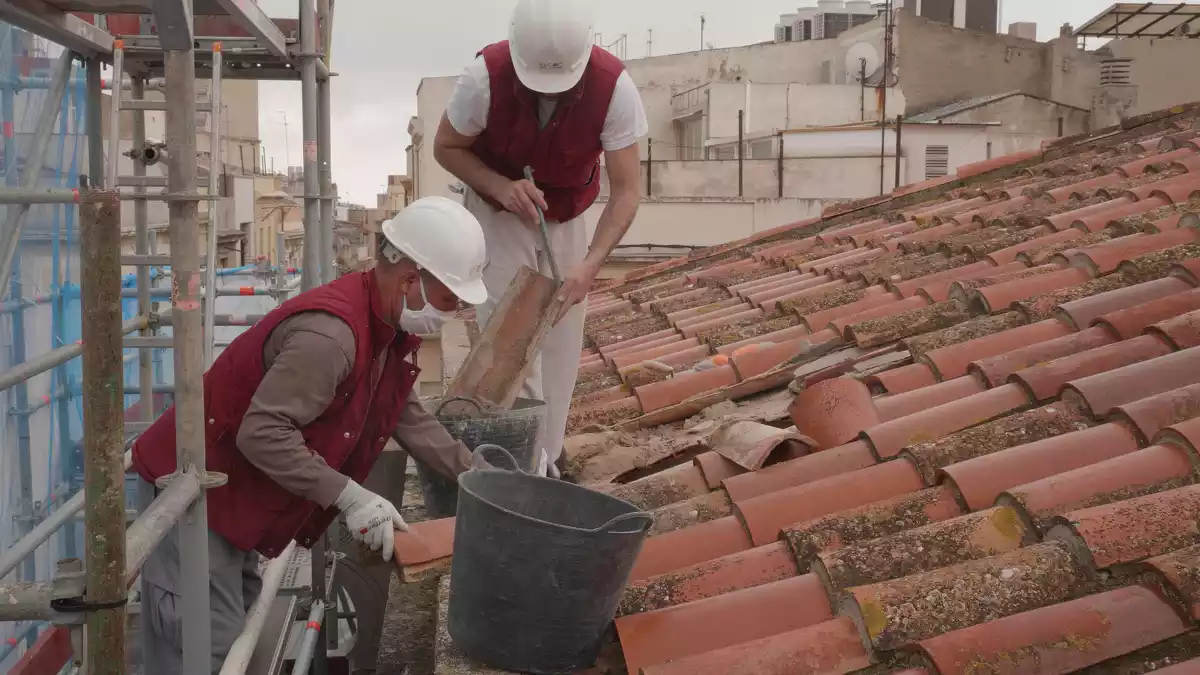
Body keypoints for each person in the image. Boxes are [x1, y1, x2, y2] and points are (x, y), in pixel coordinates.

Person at [131, 196, 488, 673]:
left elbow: (411, 419)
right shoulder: (332, 337)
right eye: (450, 299)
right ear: (410, 278)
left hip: (231, 497)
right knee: (205, 653)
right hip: (193, 493)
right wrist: (352, 498)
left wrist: (484, 480)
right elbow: (262, 433)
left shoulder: (385, 330)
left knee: (236, 634)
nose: (454, 312)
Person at [433, 0, 647, 476]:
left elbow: (628, 191)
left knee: (561, 337)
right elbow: (446, 147)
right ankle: (519, 463)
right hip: (500, 209)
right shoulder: (484, 76)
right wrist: (500, 188)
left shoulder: (615, 87)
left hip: (568, 213)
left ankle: (549, 454)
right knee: (510, 330)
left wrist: (591, 264)